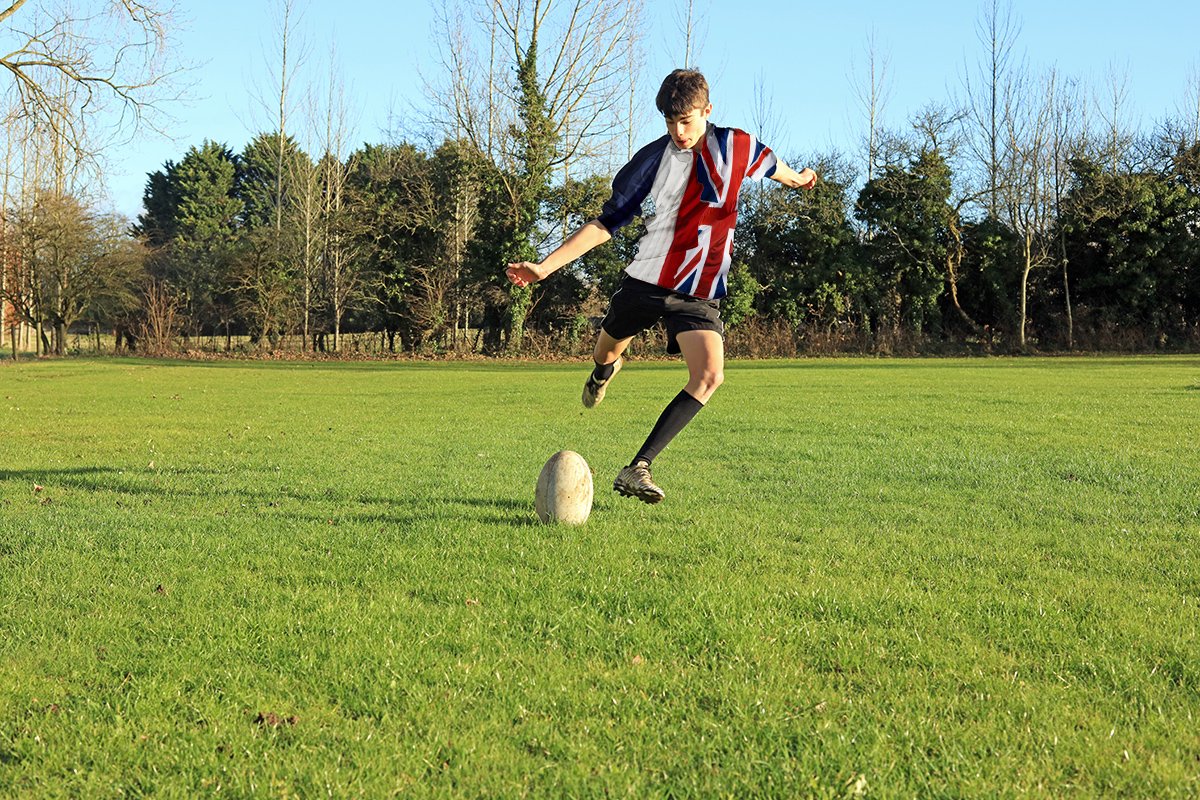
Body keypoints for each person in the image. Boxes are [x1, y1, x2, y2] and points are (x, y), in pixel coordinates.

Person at [506, 68, 817, 504]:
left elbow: (774, 166)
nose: (678, 131)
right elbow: (607, 222)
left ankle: (638, 467)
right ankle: (603, 372)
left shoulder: (737, 146)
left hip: (699, 291)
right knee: (607, 352)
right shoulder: (652, 158)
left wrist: (801, 179)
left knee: (710, 375)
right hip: (647, 280)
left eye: (686, 121)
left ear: (708, 111)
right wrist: (545, 267)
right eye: (670, 122)